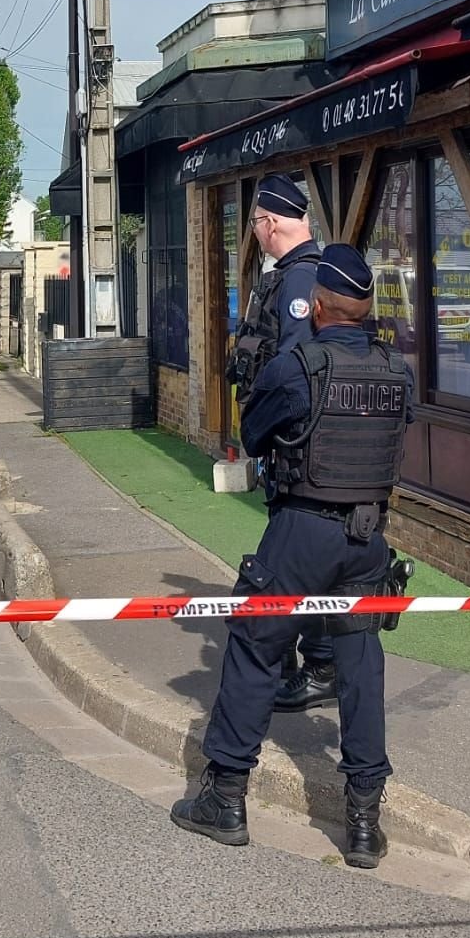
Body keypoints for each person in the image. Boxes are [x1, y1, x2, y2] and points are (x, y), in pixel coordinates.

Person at [173, 243, 414, 868]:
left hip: (302, 530)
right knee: (361, 665)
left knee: (256, 643)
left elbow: (253, 435)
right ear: (364, 306)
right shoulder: (396, 370)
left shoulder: (299, 366)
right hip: (368, 536)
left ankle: (225, 797)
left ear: (323, 304)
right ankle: (363, 822)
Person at [225, 174, 339, 712]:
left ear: (270, 223)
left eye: (256, 225)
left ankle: (317, 663)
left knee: (296, 556)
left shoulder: (300, 280)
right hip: (298, 442)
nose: (257, 234)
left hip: (299, 441)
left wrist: (270, 432)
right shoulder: (296, 275)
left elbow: (296, 372)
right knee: (299, 553)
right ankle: (307, 655)